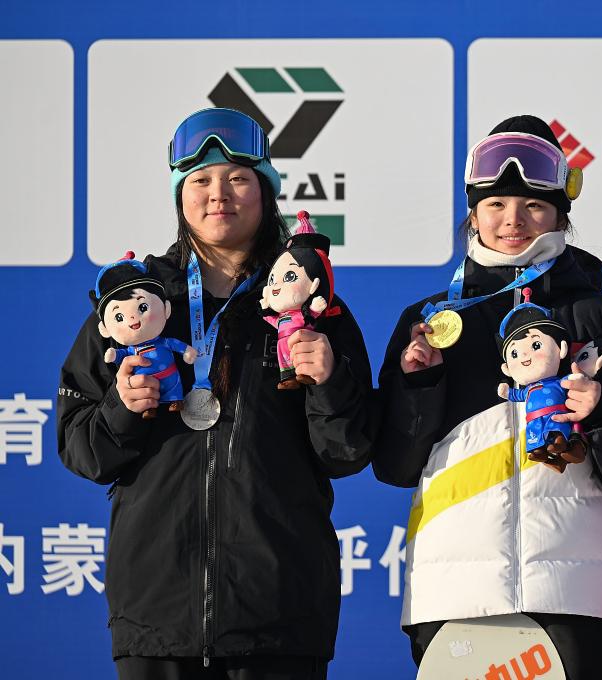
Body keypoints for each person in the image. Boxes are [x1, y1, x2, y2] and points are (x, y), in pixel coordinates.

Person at [57, 107, 374, 680]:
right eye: (200, 180)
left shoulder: (314, 307)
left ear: (266, 192)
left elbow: (348, 451)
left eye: (237, 178)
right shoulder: (133, 304)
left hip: (279, 612)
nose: (217, 194)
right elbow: (82, 450)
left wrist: (328, 382)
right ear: (180, 195)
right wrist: (121, 409)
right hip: (157, 616)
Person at [373, 115, 602, 679]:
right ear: (473, 212)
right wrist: (420, 385)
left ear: (561, 213)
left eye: (533, 205)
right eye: (496, 204)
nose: (513, 220)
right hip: (454, 592)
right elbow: (395, 465)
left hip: (576, 594)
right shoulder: (430, 321)